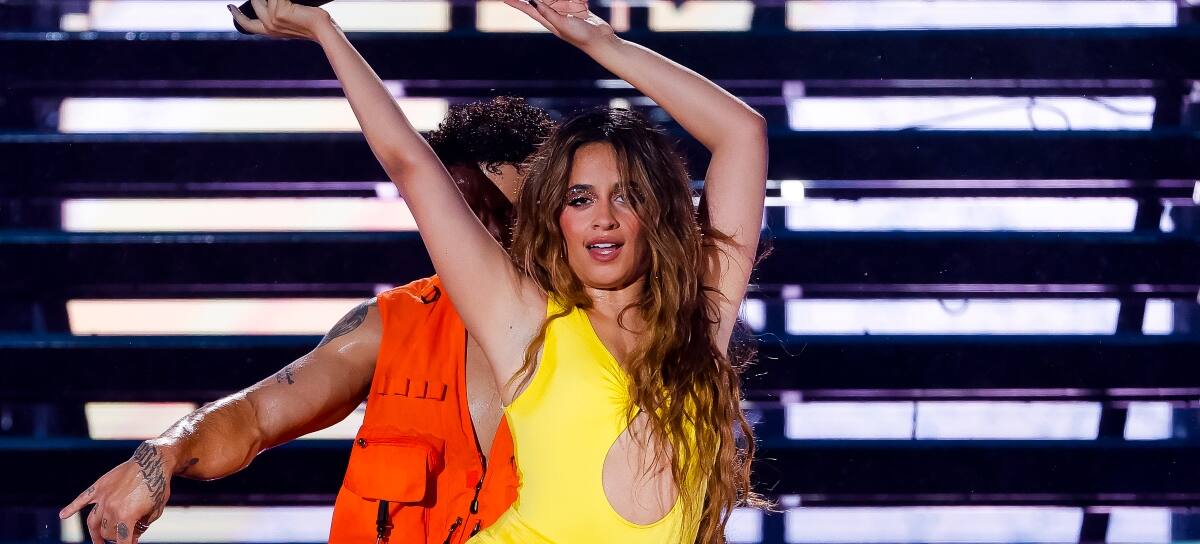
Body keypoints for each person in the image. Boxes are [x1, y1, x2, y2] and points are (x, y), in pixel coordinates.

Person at [237, 0, 765, 541]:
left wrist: (599, 42)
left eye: (627, 196)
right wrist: (324, 31)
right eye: (580, 199)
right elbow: (410, 164)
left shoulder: (699, 323)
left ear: (657, 212)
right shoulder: (526, 320)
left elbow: (742, 132)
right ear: (556, 218)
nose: (603, 218)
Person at [57, 95, 556, 544]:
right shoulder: (389, 326)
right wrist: (163, 454)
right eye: (468, 215)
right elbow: (254, 416)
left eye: (511, 216)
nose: (487, 236)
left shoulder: (593, 333)